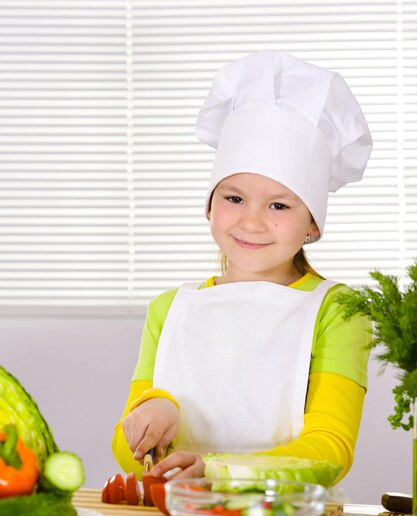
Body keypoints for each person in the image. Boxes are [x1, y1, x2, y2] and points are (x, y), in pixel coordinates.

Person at [112, 50, 373, 484]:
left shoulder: (338, 310)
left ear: (312, 223)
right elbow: (126, 451)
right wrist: (156, 408)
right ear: (209, 205)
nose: (251, 221)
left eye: (279, 204)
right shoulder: (170, 308)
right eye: (234, 198)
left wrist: (217, 472)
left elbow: (331, 449)